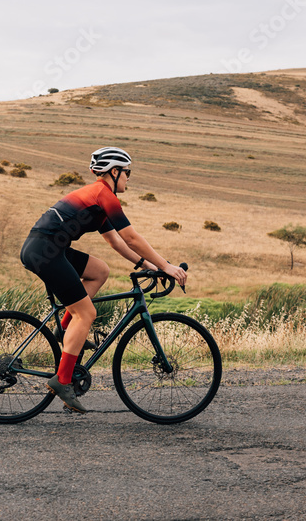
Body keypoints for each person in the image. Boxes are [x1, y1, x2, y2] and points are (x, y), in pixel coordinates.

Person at [19, 147, 187, 413]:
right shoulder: (103, 196)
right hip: (45, 252)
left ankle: (66, 328)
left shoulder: (96, 202)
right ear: (114, 172)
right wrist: (167, 266)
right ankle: (62, 380)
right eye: (127, 172)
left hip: (45, 248)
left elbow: (117, 242)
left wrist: (149, 266)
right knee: (87, 313)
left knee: (100, 271)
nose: (129, 178)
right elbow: (131, 237)